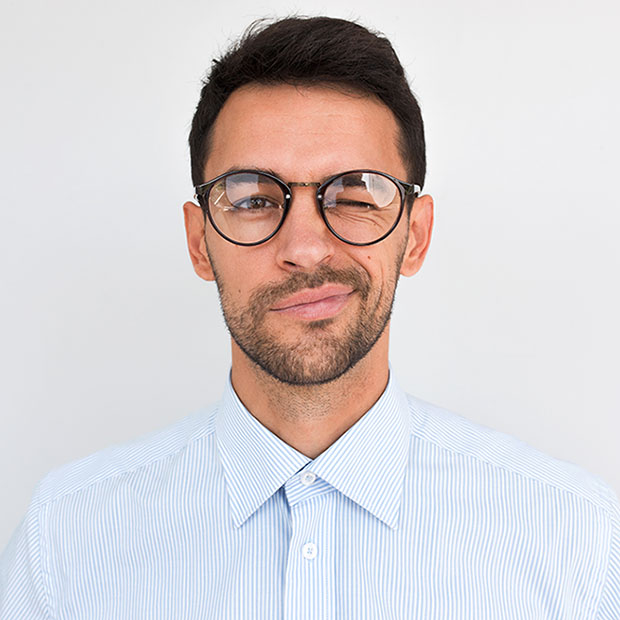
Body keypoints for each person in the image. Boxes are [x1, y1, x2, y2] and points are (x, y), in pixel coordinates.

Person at [1, 15, 618, 619]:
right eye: (253, 199)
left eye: (354, 195)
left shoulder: (574, 540)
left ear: (416, 235)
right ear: (199, 242)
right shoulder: (67, 541)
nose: (304, 248)